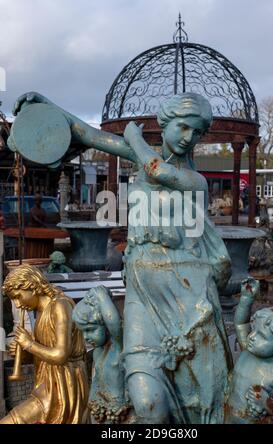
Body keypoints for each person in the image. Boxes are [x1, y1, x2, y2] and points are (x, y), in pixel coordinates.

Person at [12, 91, 232, 424]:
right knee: (147, 405)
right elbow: (85, 133)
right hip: (144, 293)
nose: (189, 139)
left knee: (198, 403)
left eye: (198, 133)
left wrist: (132, 136)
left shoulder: (194, 180)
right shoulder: (143, 157)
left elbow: (157, 170)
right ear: (166, 124)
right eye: (184, 127)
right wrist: (45, 105)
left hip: (190, 297)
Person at [0, 265, 89, 424]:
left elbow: (60, 355)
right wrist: (25, 353)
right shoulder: (41, 311)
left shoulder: (60, 306)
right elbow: (44, 353)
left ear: (31, 287)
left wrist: (29, 344)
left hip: (64, 387)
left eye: (18, 297)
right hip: (47, 385)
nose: (18, 304)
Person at [227, 277, 273, 424]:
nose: (252, 336)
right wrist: (246, 298)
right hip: (229, 414)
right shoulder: (248, 349)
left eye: (261, 336)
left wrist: (267, 402)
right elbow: (241, 323)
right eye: (254, 330)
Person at [73, 286, 129, 424]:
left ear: (105, 324)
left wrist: (101, 296)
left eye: (90, 330)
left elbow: (115, 324)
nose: (86, 337)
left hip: (117, 413)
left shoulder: (117, 348)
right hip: (99, 411)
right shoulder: (98, 351)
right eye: (83, 332)